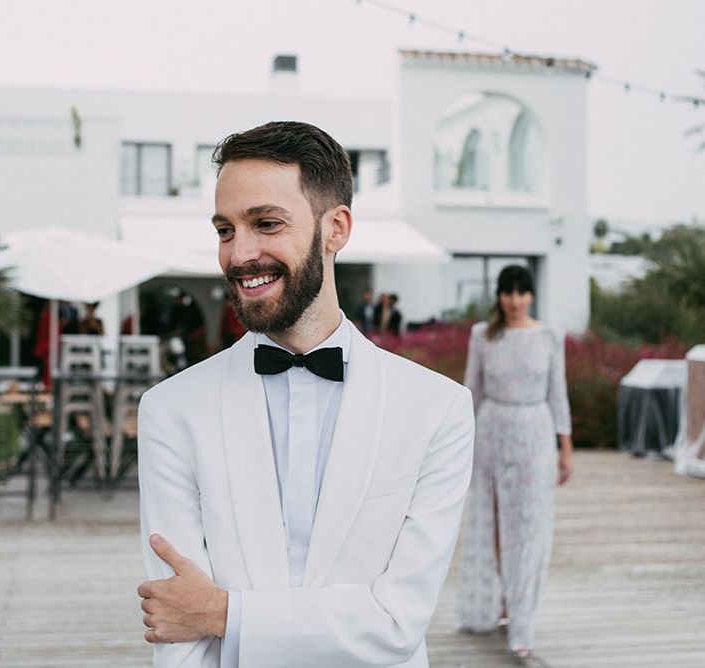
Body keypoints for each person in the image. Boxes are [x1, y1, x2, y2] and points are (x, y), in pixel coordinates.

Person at [136, 121, 475, 667]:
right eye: (225, 230)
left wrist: (225, 613)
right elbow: (179, 633)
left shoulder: (439, 410)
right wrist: (203, 615)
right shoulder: (170, 410)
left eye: (266, 223)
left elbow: (396, 624)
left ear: (335, 228)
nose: (239, 254)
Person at [455, 264, 573, 661]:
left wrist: (566, 446)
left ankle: (523, 620)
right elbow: (472, 390)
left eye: (522, 292)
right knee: (493, 525)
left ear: (532, 295)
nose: (515, 300)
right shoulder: (483, 335)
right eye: (508, 292)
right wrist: (458, 441)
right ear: (499, 296)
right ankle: (502, 605)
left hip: (535, 433)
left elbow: (558, 393)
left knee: (529, 527)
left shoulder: (549, 336)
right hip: (491, 432)